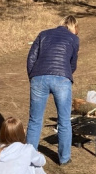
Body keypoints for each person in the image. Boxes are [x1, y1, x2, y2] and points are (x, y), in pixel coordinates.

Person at [26, 16, 80, 165]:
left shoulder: (43, 34)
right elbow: (72, 63)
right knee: (64, 121)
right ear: (73, 27)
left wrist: (33, 76)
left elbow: (31, 58)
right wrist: (66, 74)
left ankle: (29, 158)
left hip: (39, 77)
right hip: (62, 78)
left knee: (35, 120)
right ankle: (64, 158)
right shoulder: (74, 39)